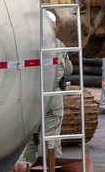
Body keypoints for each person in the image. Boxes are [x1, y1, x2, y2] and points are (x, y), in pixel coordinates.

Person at [20, 21, 72, 165]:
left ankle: (27, 165)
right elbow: (69, 70)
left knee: (33, 138)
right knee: (50, 138)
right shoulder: (58, 44)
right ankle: (50, 166)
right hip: (53, 96)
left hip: (32, 96)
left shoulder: (28, 44)